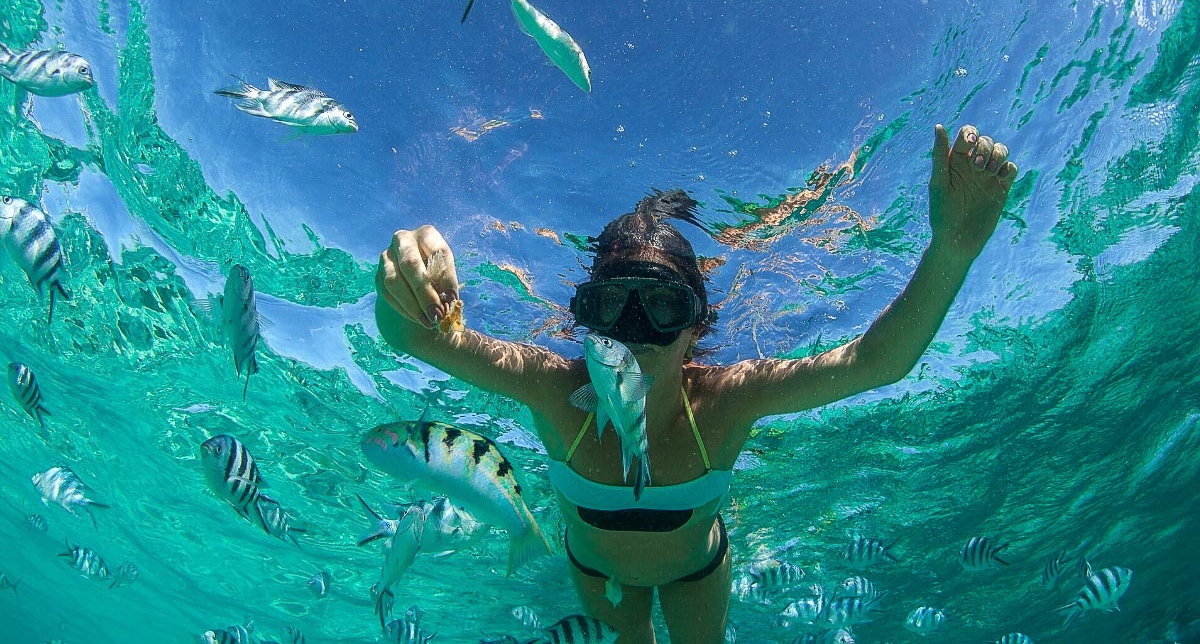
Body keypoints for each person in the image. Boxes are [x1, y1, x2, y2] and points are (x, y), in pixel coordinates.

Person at [375, 124, 1018, 644]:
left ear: (694, 327)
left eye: (660, 308)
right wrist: (409, 293)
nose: (631, 333)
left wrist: (953, 249)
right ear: (583, 319)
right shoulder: (553, 388)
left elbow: (877, 361)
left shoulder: (727, 399)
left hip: (697, 571)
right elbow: (418, 339)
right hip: (594, 573)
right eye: (609, 307)